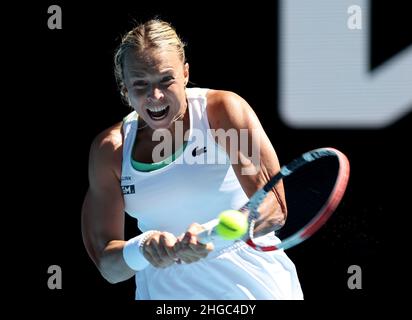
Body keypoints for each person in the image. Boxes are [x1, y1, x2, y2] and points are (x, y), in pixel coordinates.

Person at [81, 19, 303, 300]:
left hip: (254, 289)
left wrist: (212, 235)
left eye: (166, 79)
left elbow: (274, 207)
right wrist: (144, 247)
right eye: (140, 84)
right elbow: (109, 267)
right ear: (124, 88)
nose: (155, 96)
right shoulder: (109, 150)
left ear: (185, 74)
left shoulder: (223, 112)